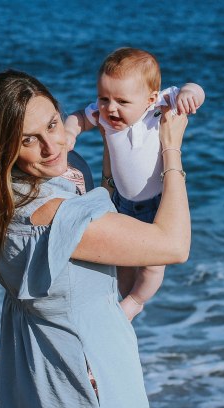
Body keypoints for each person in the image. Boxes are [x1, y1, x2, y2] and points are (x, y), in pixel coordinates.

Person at [0, 69, 191, 408]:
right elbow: (173, 245)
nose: (51, 146)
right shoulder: (56, 216)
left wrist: (110, 146)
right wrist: (170, 150)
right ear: (1, 146)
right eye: (27, 139)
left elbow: (94, 202)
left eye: (53, 125)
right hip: (86, 390)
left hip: (36, 384)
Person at [64, 47, 205, 321]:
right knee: (122, 258)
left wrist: (189, 94)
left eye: (122, 101)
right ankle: (124, 297)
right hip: (122, 201)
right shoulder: (105, 117)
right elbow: (79, 116)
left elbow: (196, 88)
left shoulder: (159, 106)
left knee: (153, 264)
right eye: (103, 98)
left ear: (149, 98)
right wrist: (70, 130)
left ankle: (137, 301)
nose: (110, 108)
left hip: (156, 204)